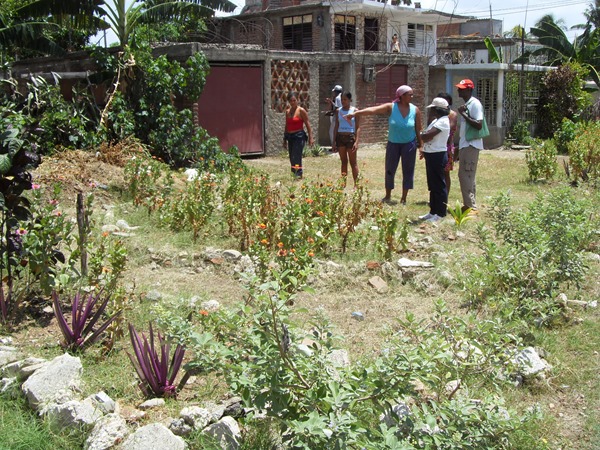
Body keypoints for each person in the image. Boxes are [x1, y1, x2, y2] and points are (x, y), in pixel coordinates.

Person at [344, 85, 423, 204]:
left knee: (408, 170)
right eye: (409, 94)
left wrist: (421, 146)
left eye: (412, 94)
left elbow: (418, 129)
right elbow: (373, 110)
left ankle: (404, 198)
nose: (411, 96)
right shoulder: (391, 107)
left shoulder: (415, 110)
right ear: (401, 96)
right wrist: (355, 114)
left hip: (409, 144)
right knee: (390, 169)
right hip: (393, 144)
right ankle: (388, 195)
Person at [419, 97, 451, 222]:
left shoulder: (443, 121)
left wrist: (420, 135)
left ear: (438, 110)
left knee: (439, 185)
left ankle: (440, 213)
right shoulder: (436, 121)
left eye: (433, 109)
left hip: (438, 155)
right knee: (432, 185)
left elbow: (427, 136)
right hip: (431, 154)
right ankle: (433, 211)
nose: (431, 111)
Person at [455, 79, 484, 211]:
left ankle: (470, 206)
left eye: (461, 88)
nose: (458, 90)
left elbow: (478, 124)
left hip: (471, 144)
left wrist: (464, 114)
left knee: (465, 175)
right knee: (468, 175)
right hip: (466, 144)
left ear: (469, 90)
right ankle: (469, 204)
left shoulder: (474, 104)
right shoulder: (468, 104)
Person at [332, 91, 361, 186]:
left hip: (350, 138)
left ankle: (356, 185)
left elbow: (358, 127)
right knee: (343, 162)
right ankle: (343, 184)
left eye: (345, 99)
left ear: (350, 100)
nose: (343, 101)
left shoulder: (355, 111)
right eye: (341, 100)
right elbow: (336, 125)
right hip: (340, 137)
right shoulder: (338, 111)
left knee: (353, 163)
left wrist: (356, 141)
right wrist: (333, 141)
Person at [283, 92, 314, 179]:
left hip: (299, 136)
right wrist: (284, 139)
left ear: (297, 100)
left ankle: (298, 174)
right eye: (291, 101)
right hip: (290, 136)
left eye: (294, 100)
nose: (293, 102)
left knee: (296, 155)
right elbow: (287, 126)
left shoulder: (301, 111)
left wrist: (311, 137)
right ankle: (294, 173)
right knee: (291, 156)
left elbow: (307, 124)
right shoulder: (288, 112)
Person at [436, 92, 458, 197]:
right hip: (435, 146)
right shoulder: (435, 114)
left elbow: (449, 129)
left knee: (445, 173)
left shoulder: (452, 114)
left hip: (447, 147)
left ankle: (445, 196)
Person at [326, 85, 343, 150]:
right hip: (341, 116)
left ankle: (334, 146)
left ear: (336, 92)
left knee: (332, 131)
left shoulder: (338, 98)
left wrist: (330, 103)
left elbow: (337, 108)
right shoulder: (342, 96)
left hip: (337, 116)